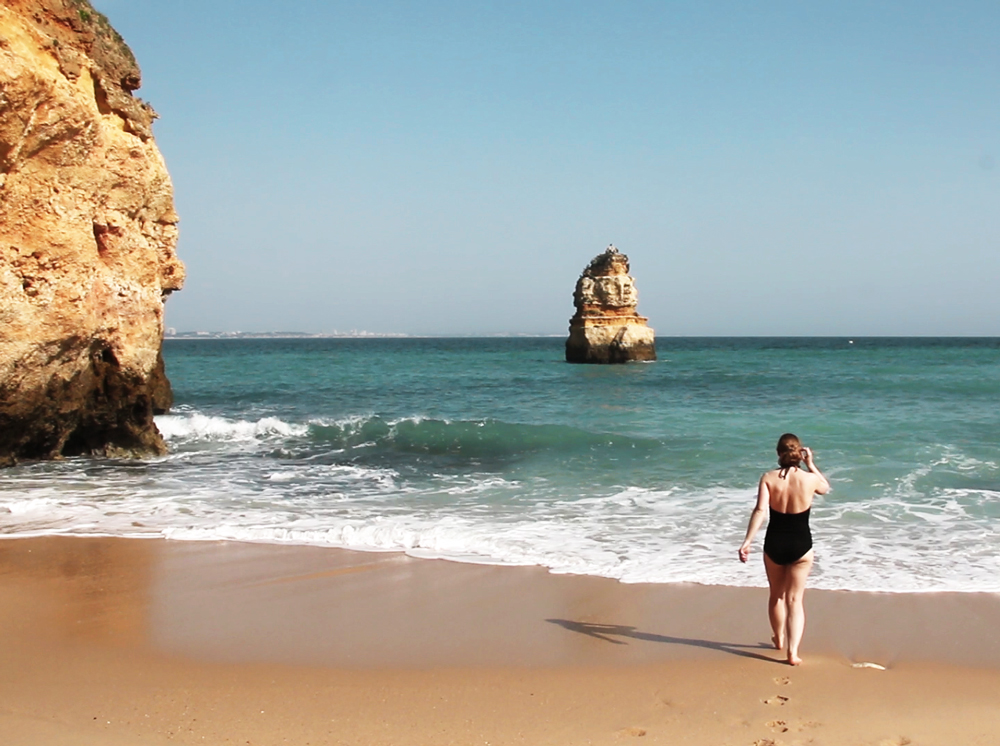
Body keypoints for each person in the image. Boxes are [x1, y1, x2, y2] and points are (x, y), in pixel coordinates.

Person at [738, 433, 830, 666]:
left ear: (778, 454)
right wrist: (810, 464)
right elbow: (825, 488)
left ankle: (778, 639)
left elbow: (760, 511)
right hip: (801, 545)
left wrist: (747, 541)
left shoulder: (768, 478)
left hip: (774, 544)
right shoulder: (809, 479)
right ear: (799, 453)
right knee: (795, 600)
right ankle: (792, 653)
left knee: (776, 596)